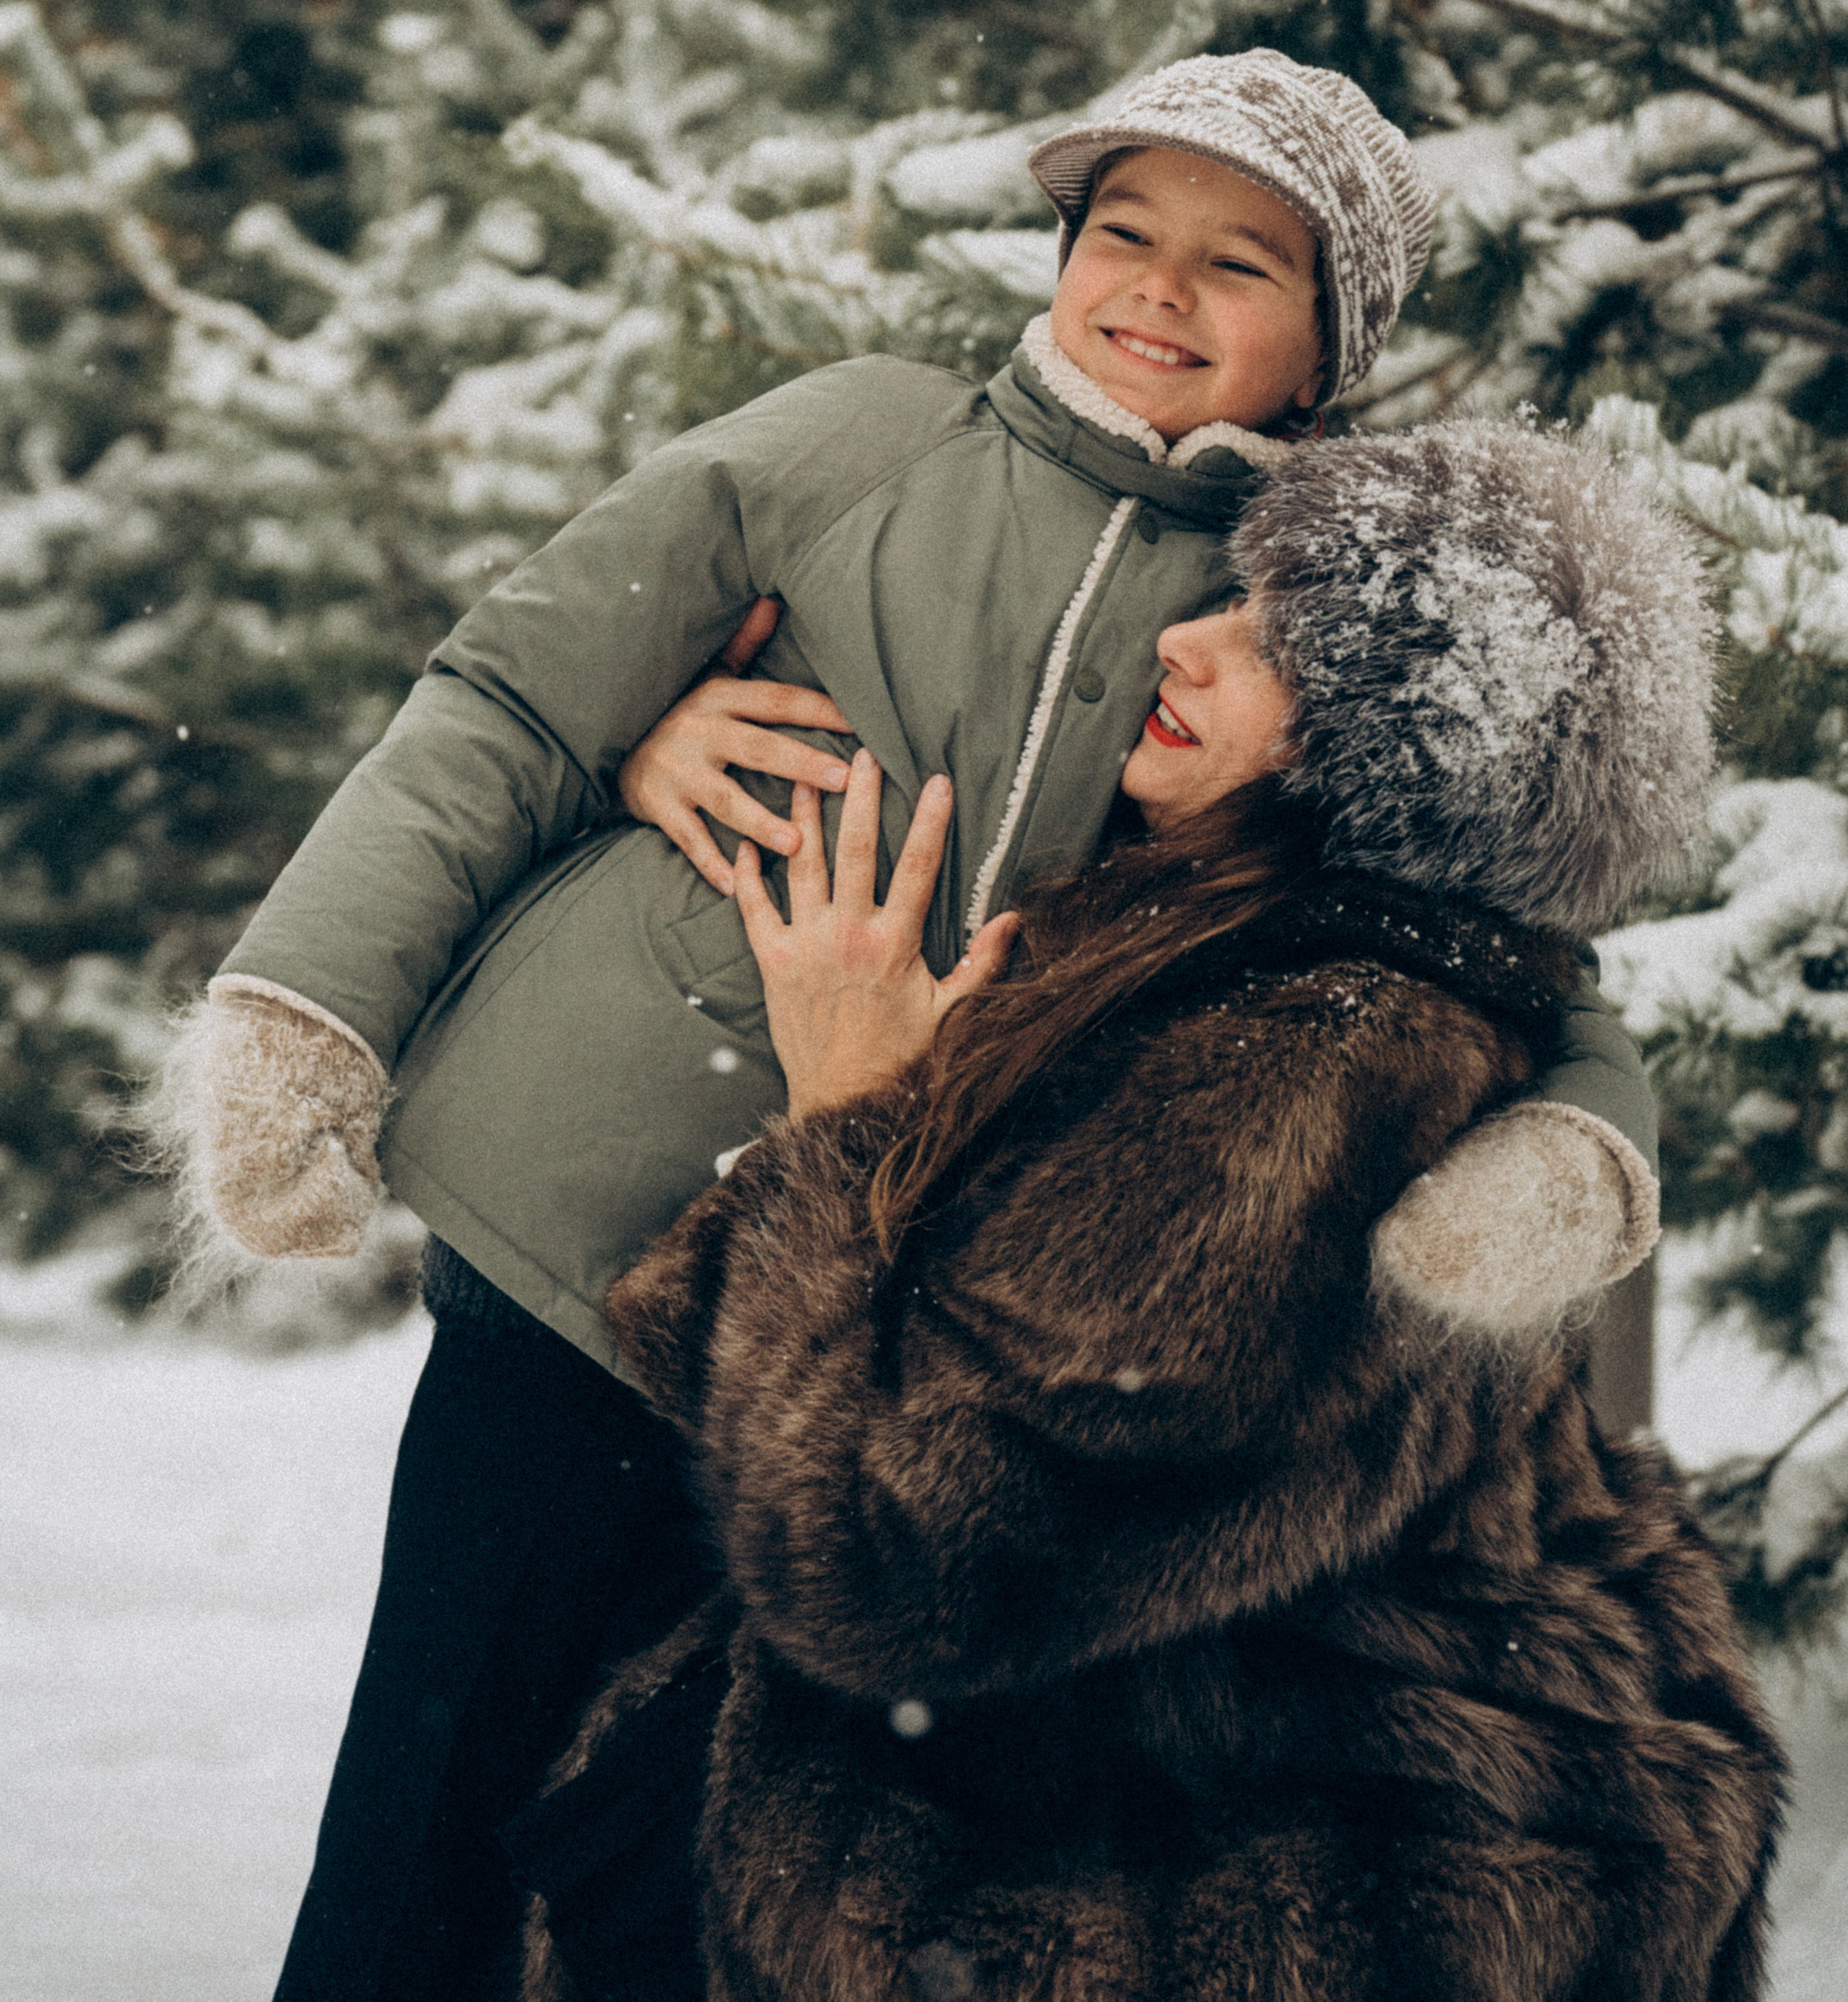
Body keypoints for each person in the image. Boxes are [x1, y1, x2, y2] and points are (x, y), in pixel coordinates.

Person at [152, 56, 1657, 1998]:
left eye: (1239, 264)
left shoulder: (1308, 597)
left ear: (1331, 341)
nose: (1159, 289)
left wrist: (1574, 1142)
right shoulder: (859, 438)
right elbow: (514, 694)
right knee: (433, 1813)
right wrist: (317, 998)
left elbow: (1490, 928)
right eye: (1123, 231)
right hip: (577, 1241)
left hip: (893, 1347)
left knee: (694, 1874)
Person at [522, 419, 1784, 2002]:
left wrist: (844, 1123)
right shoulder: (1245, 963)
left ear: (1391, 749)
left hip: (1213, 1885)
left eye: (1271, 645)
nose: (1183, 645)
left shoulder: (1303, 1073)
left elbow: (890, 1566)